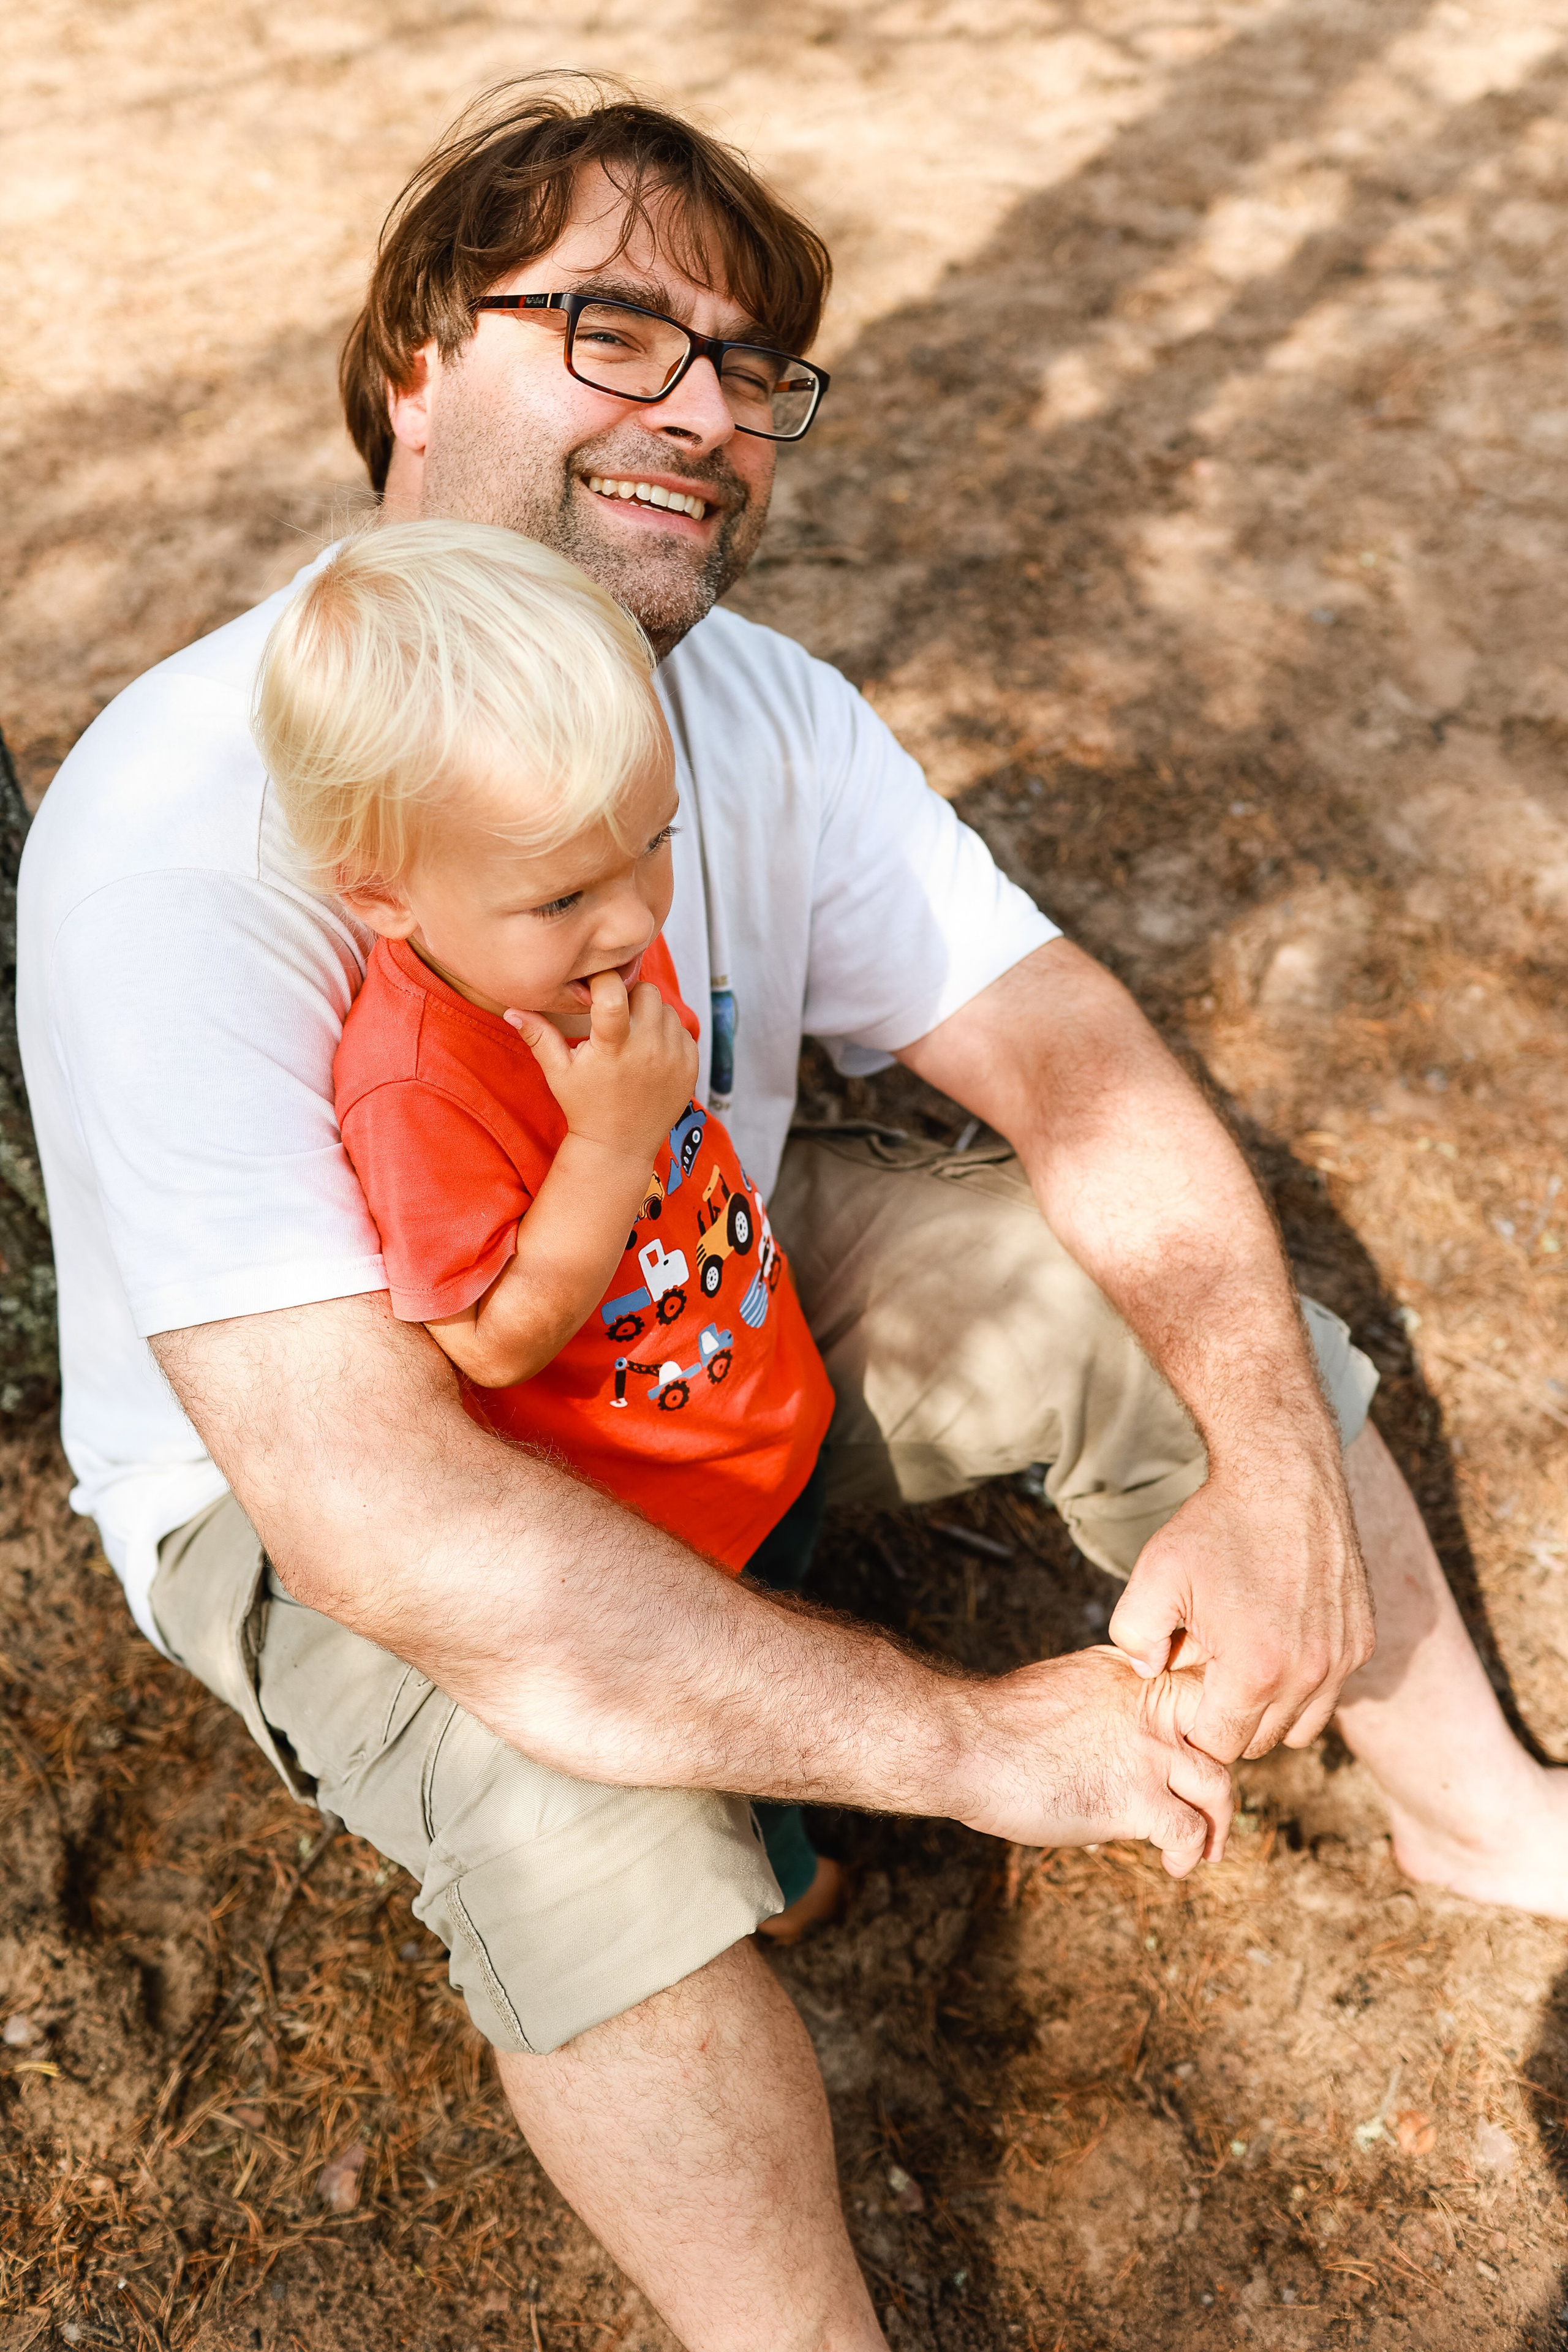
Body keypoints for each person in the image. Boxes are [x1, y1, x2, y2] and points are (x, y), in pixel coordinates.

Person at [15, 75, 1567, 2352]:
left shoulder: (751, 701)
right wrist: (975, 1742)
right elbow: (375, 1510)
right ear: (415, 367)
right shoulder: (188, 818)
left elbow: (1068, 1061)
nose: (709, 411)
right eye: (619, 333)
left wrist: (1263, 1459)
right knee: (567, 1794)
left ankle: (1487, 1814)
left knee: (1112, 1287)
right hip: (353, 1438)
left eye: (751, 368)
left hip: (688, 1260)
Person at [257, 516, 853, 1936]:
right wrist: (610, 1138)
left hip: (752, 1411)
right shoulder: (419, 1088)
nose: (634, 915)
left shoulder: (574, 936)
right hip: (651, 1519)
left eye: (652, 849)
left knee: (810, 1597)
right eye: (566, 893)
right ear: (381, 891)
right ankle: (777, 1878)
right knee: (732, 1709)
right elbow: (492, 1343)